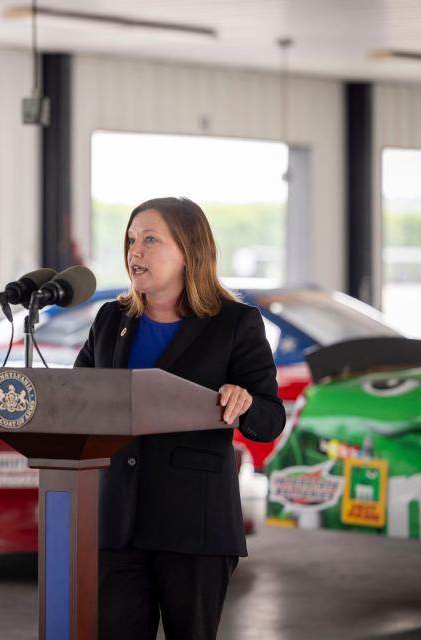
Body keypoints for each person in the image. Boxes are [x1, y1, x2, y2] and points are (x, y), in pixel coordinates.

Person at [74, 197, 285, 640]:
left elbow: (270, 418)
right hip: (117, 524)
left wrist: (244, 401)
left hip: (196, 526)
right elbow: (78, 400)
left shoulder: (235, 323)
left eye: (150, 240)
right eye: (131, 240)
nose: (135, 251)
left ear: (190, 250)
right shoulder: (111, 319)